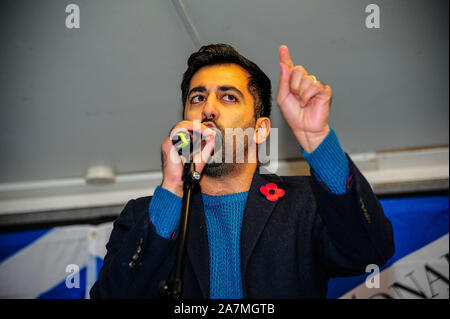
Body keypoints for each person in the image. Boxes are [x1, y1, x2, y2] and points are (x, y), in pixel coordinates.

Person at [90, 44, 395, 299]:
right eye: (197, 98)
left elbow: (369, 251)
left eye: (228, 97)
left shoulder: (303, 203)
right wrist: (172, 188)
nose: (208, 109)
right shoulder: (143, 216)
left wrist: (317, 140)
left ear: (261, 130)